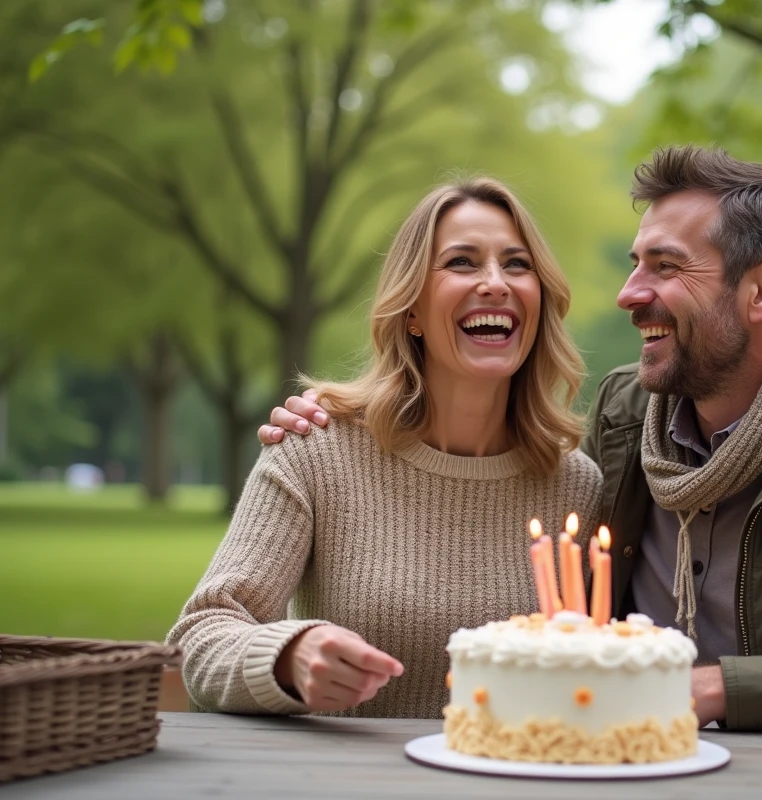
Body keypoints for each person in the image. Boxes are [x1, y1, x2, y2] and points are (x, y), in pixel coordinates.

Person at [262, 145, 762, 733]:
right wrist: (339, 421)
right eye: (635, 265)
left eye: (665, 268)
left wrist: (717, 686)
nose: (630, 295)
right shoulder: (628, 415)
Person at [169, 178, 603, 720]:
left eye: (517, 264)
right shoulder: (314, 451)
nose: (495, 282)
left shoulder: (580, 487)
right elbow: (203, 633)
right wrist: (287, 658)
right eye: (462, 262)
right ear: (412, 311)